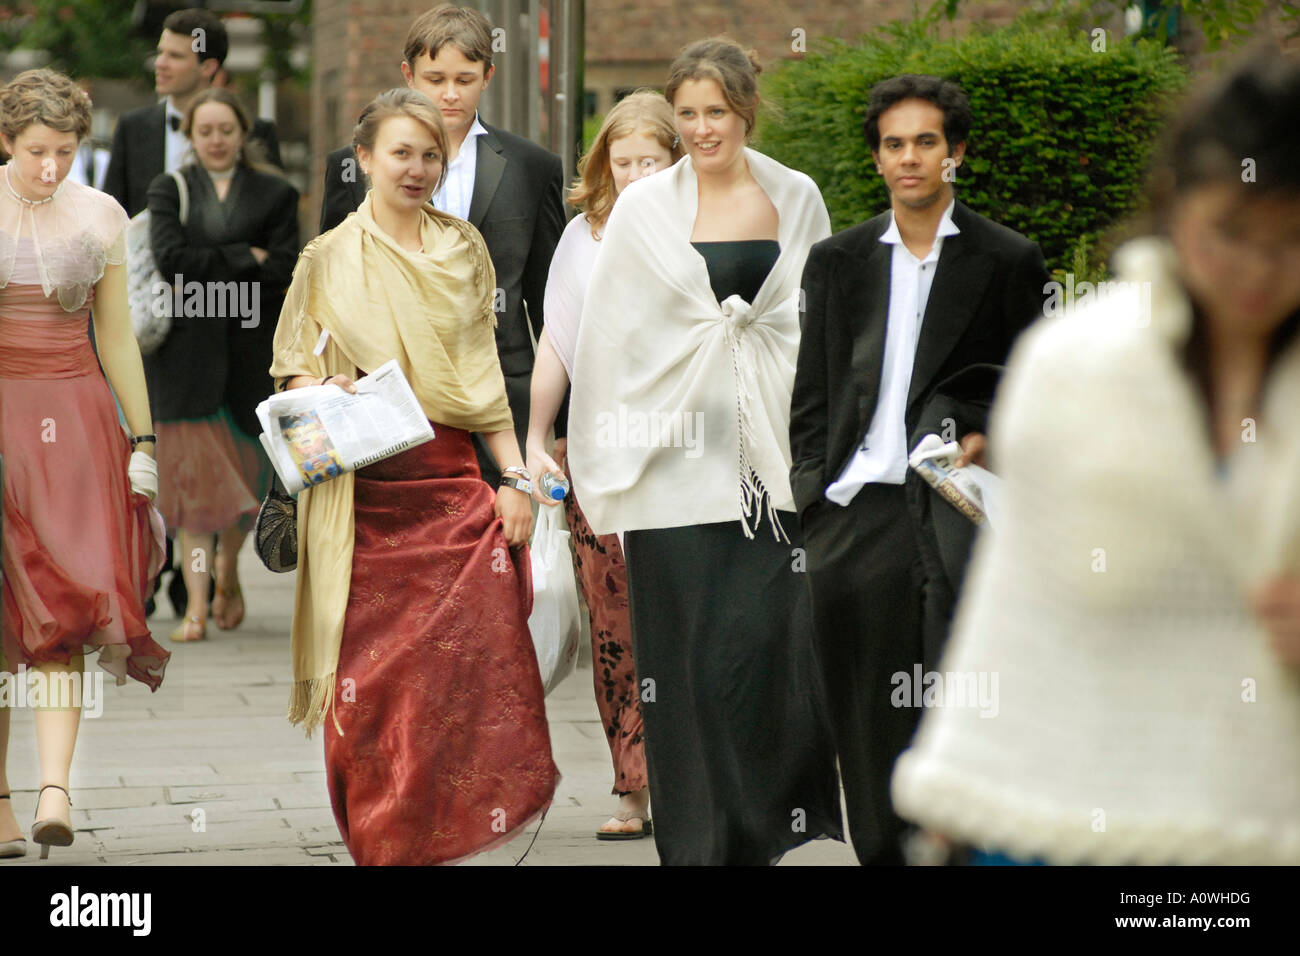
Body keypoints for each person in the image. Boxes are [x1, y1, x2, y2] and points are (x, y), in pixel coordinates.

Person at [891, 51, 1300, 866]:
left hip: (1260, 804)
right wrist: (971, 776)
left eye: (1291, 240)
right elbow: (1021, 592)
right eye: (1230, 234)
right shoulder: (1079, 365)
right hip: (1071, 799)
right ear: (1175, 208)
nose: (1257, 270)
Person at [566, 39, 844, 865]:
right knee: (685, 668)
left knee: (766, 655)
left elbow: (818, 323)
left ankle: (762, 829)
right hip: (672, 476)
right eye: (684, 113)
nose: (697, 129)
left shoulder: (796, 197)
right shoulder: (646, 211)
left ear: (745, 110)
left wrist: (819, 452)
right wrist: (612, 459)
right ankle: (695, 846)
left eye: (713, 112)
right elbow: (613, 339)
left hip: (770, 474)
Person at [270, 88, 559, 866]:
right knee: (371, 687)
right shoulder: (326, 258)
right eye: (401, 152)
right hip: (363, 498)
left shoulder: (465, 249)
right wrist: (318, 389)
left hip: (453, 484)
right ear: (362, 159)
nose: (418, 168)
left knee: (462, 673)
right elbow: (292, 368)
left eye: (431, 155)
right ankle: (383, 840)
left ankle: (448, 830)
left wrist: (517, 481)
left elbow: (484, 379)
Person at [788, 74, 1049, 866]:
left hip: (948, 504)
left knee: (950, 700)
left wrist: (980, 434)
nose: (910, 158)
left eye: (926, 142)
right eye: (895, 144)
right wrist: (813, 504)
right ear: (876, 158)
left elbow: (1030, 386)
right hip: (854, 511)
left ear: (955, 152)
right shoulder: (836, 262)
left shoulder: (1008, 258)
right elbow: (813, 396)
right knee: (864, 719)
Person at [0, 69, 169, 860]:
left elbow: (117, 337)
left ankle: (54, 791)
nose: (49, 168)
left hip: (73, 422)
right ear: (7, 140)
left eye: (64, 152)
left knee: (63, 609)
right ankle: (0, 803)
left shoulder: (100, 214)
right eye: (36, 152)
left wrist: (144, 439)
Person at [319, 4, 564, 487]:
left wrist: (566, 424)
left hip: (501, 394)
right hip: (387, 391)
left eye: (465, 79)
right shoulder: (356, 165)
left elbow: (553, 301)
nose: (450, 94)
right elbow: (329, 290)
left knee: (499, 547)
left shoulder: (532, 166)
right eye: (435, 79)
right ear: (409, 75)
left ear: (488, 76)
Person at [526, 91, 682, 840]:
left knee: (684, 618)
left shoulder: (699, 226)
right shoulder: (582, 237)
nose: (635, 175)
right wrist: (535, 436)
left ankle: (692, 776)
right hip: (596, 446)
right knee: (614, 622)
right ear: (604, 166)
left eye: (650, 161)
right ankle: (634, 787)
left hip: (684, 449)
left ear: (676, 161)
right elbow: (556, 342)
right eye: (622, 163)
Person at [144, 87, 300, 643]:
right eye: (204, 130)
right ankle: (197, 608)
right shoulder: (173, 189)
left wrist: (216, 266)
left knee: (246, 485)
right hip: (186, 366)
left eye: (225, 130)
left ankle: (231, 570)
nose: (215, 140)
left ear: (242, 135)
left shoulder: (277, 192)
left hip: (253, 359)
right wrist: (244, 257)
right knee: (195, 501)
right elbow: (172, 261)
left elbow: (284, 266)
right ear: (190, 136)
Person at [104, 7, 281, 217]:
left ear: (208, 67)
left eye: (175, 56)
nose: (160, 64)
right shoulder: (132, 128)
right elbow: (112, 213)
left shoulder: (256, 131)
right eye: (161, 53)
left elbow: (274, 215)